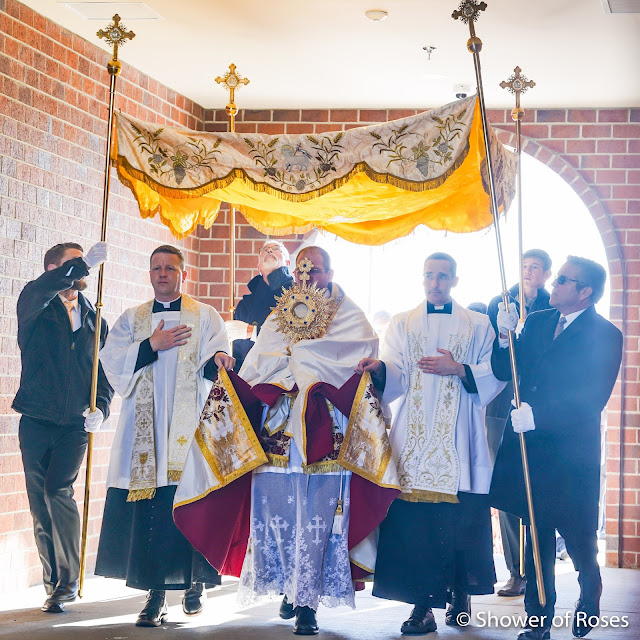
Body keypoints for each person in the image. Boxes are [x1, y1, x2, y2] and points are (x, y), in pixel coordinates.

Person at [174, 245, 399, 636]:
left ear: (330, 272)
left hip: (326, 433)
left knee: (318, 519)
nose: (305, 278)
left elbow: (358, 359)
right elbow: (260, 362)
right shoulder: (280, 314)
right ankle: (292, 586)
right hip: (279, 430)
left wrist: (312, 372)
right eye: (300, 271)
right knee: (277, 514)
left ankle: (307, 602)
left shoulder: (351, 316)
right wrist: (249, 371)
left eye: (314, 270)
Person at [357, 252, 505, 635]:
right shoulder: (403, 324)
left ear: (455, 280)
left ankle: (460, 592)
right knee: (417, 527)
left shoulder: (478, 324)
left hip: (461, 438)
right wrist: (379, 370)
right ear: (422, 279)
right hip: (415, 441)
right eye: (429, 276)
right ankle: (421, 607)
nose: (435, 282)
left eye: (442, 276)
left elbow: (495, 374)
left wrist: (461, 369)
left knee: (459, 523)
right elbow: (396, 372)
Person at [95, 244, 234, 627]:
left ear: (182, 274)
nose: (162, 274)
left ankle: (194, 585)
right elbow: (110, 362)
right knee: (154, 512)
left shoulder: (205, 316)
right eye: (156, 268)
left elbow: (216, 357)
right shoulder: (132, 319)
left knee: (189, 503)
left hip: (190, 433)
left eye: (169, 268)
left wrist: (219, 360)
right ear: (149, 273)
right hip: (147, 434)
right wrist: (150, 346)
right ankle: (155, 596)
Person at [491, 256, 623, 640]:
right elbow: (506, 371)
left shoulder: (605, 335)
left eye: (564, 280)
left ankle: (590, 584)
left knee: (579, 532)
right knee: (537, 533)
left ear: (585, 292)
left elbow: (591, 397)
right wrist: (504, 338)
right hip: (529, 445)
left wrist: (541, 415)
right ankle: (538, 619)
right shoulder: (537, 321)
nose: (555, 283)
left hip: (571, 451)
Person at [13, 241, 113, 613]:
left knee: (59, 491)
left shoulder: (94, 317)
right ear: (53, 269)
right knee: (40, 505)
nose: (83, 271)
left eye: (83, 265)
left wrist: (101, 408)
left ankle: (68, 580)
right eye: (72, 265)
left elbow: (103, 375)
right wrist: (83, 262)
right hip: (36, 419)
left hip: (74, 423)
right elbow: (43, 287)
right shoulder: (34, 305)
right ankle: (53, 581)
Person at [486, 249, 552, 597]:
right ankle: (515, 570)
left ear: (546, 274)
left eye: (535, 268)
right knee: (508, 484)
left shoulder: (552, 308)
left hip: (537, 404)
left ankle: (539, 563)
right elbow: (492, 354)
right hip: (502, 402)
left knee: (538, 484)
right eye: (524, 267)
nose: (528, 273)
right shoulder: (500, 301)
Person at [226, 240, 294, 372]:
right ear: (259, 267)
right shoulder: (245, 305)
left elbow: (295, 339)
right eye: (264, 250)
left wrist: (253, 332)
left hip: (284, 375)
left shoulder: (296, 297)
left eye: (276, 249)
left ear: (288, 263)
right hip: (249, 375)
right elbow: (238, 351)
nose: (269, 251)